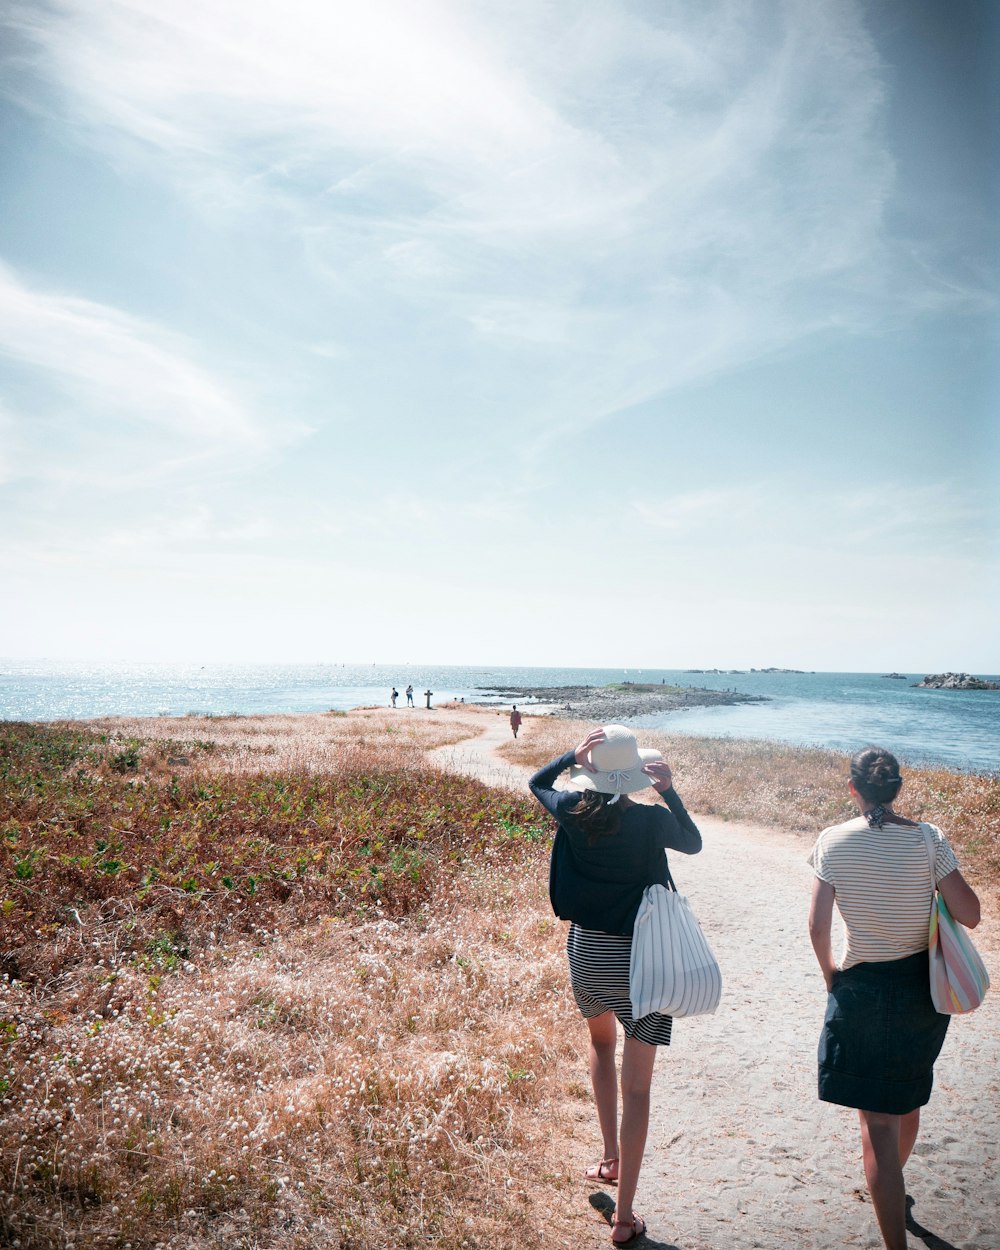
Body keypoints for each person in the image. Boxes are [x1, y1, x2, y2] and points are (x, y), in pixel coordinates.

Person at [529, 725, 703, 1246]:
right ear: (632, 778)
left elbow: (536, 782)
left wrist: (568, 756)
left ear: (590, 773)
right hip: (645, 960)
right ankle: (624, 1219)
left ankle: (608, 1159)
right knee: (639, 1087)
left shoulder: (572, 811)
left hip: (588, 953)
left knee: (601, 1049)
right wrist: (668, 790)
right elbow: (692, 842)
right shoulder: (650, 820)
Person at [807, 746, 981, 1250]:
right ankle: (892, 1185)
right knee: (906, 1100)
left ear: (852, 789)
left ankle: (891, 1221)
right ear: (898, 789)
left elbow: (817, 925)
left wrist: (830, 976)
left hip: (860, 986)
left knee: (875, 1125)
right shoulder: (929, 840)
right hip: (920, 992)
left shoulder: (832, 841)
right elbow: (968, 913)